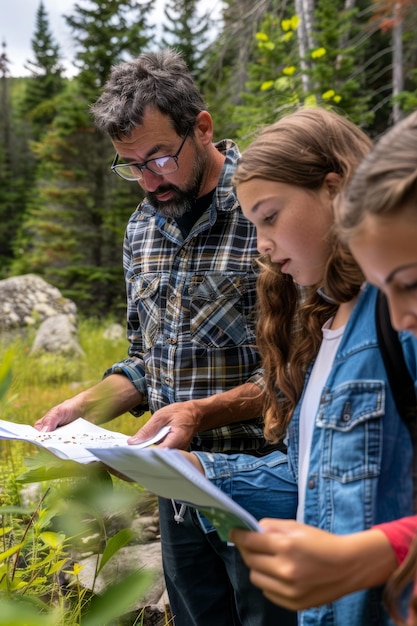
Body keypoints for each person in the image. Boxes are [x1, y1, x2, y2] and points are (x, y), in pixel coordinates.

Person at [34, 49, 297, 626]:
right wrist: (82, 407)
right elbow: (144, 361)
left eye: (158, 157)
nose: (149, 181)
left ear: (201, 128)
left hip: (263, 488)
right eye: (130, 164)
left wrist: (203, 413)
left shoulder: (271, 208)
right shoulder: (142, 227)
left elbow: (303, 370)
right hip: (176, 494)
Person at [175, 106, 416, 625]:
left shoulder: (401, 313)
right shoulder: (323, 324)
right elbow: (319, 480)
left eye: (270, 216)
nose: (261, 244)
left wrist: (366, 556)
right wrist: (199, 471)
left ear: (334, 190)